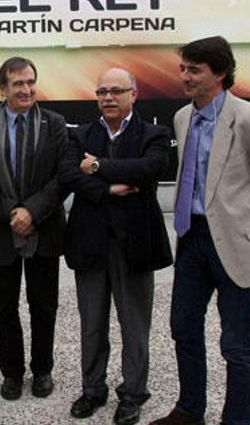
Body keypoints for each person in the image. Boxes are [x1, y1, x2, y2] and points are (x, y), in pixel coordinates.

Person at [150, 37, 250, 425]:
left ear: (221, 73)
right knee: (183, 328)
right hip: (192, 239)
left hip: (237, 246)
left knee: (237, 345)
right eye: (183, 68)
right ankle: (189, 410)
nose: (184, 77)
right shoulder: (183, 117)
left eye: (194, 70)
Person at [59, 67, 172, 425]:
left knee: (134, 325)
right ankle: (93, 390)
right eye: (102, 91)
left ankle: (133, 393)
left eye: (116, 91)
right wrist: (108, 187)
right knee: (91, 323)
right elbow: (68, 174)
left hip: (135, 246)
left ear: (133, 95)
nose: (108, 97)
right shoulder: (81, 135)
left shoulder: (154, 133)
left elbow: (150, 168)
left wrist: (100, 166)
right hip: (89, 244)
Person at [0, 57, 68, 401]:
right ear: (2, 88)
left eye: (30, 81)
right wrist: (12, 213)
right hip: (2, 230)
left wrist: (32, 211)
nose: (26, 89)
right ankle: (12, 373)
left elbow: (64, 176)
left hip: (44, 228)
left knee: (43, 304)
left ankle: (42, 369)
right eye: (17, 83)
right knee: (5, 307)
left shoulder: (55, 123)